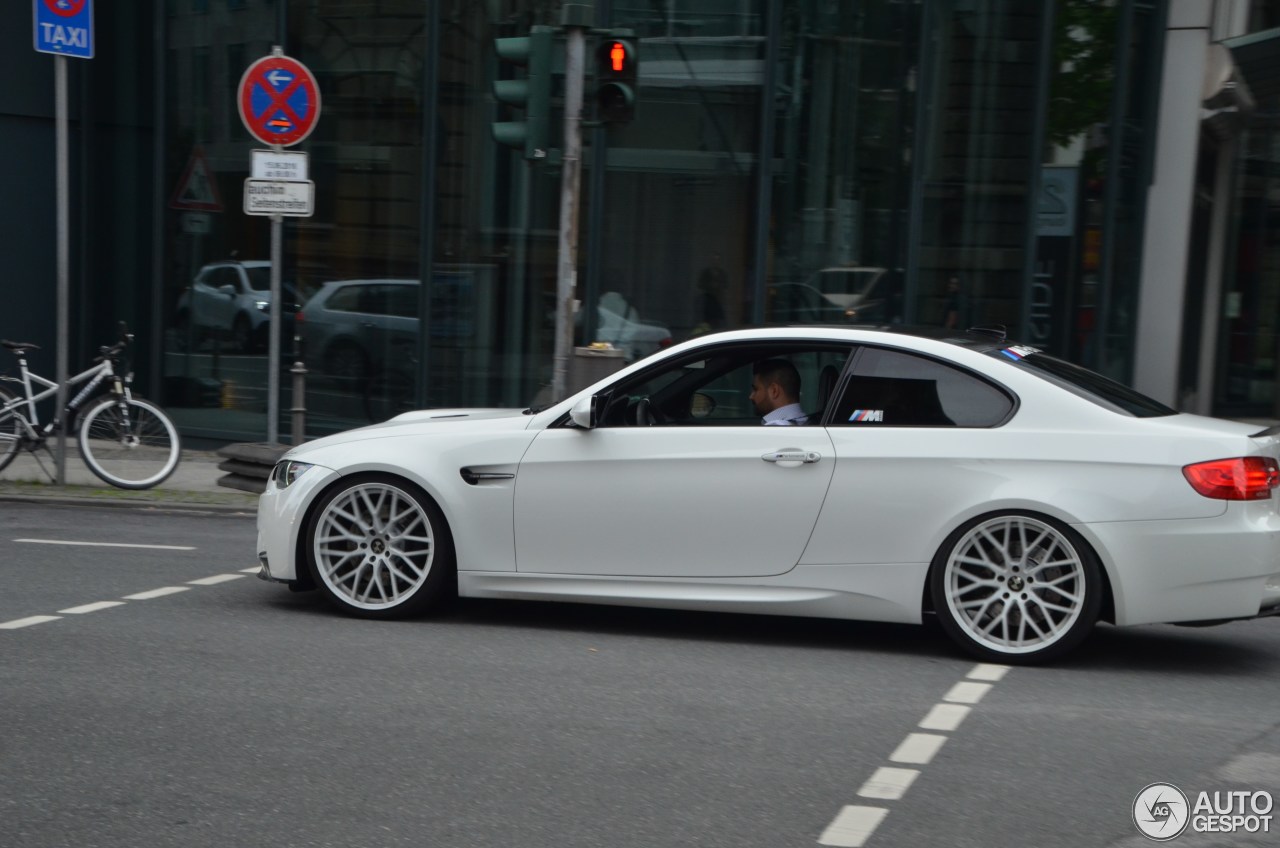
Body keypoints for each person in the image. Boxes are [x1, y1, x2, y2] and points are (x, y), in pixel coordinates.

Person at [750, 358, 809, 425]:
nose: (751, 396)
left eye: (755, 389)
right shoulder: (806, 421)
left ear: (774, 391)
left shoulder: (774, 429)